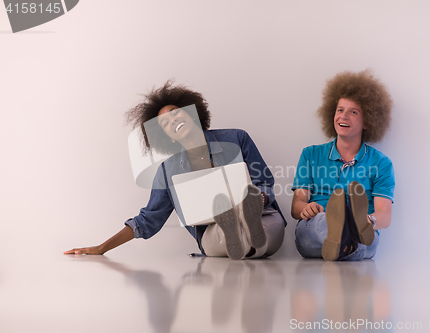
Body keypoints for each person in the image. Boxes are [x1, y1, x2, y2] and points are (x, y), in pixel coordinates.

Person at [64, 81, 286, 259]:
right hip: (212, 231)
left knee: (268, 229)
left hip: (261, 215)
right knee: (234, 238)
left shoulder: (237, 138)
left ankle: (245, 225)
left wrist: (259, 198)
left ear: (190, 112)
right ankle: (238, 233)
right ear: (166, 136)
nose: (173, 121)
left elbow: (264, 181)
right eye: (165, 123)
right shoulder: (167, 170)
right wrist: (101, 247)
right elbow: (148, 219)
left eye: (175, 113)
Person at [291, 69, 395, 261]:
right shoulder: (310, 155)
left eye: (353, 112)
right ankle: (348, 236)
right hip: (315, 227)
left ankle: (349, 236)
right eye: (340, 110)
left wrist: (369, 220)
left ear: (368, 121)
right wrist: (305, 208)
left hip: (364, 227)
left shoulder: (381, 163)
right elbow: (296, 206)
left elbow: (384, 215)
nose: (343, 116)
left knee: (367, 236)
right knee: (323, 222)